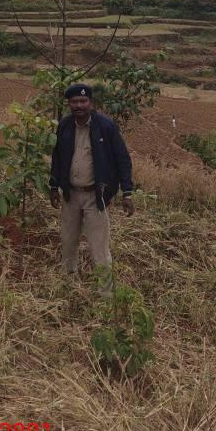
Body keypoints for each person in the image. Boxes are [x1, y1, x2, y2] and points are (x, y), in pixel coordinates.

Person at [49, 83, 134, 292]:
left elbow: (123, 159)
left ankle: (106, 294)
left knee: (99, 247)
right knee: (68, 241)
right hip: (70, 195)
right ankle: (68, 284)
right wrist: (53, 186)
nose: (79, 105)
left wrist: (127, 192)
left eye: (83, 101)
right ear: (69, 104)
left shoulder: (106, 126)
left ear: (90, 103)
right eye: (74, 102)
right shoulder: (65, 125)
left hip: (96, 196)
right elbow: (57, 158)